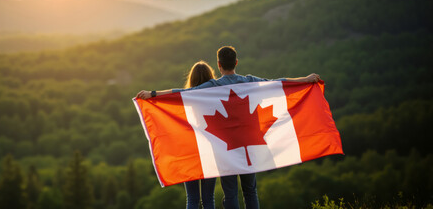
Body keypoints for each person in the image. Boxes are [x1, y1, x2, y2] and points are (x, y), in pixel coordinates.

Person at [136, 46, 320, 209]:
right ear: (236, 62)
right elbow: (277, 84)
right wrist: (306, 79)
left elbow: (183, 94)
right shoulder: (249, 81)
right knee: (250, 192)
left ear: (219, 64)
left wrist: (153, 94)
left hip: (225, 149)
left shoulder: (212, 86)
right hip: (250, 145)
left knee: (230, 194)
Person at [182, 61, 218, 209]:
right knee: (209, 198)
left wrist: (152, 95)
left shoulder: (185, 99)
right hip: (211, 149)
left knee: (192, 198)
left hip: (190, 150)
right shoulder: (217, 97)